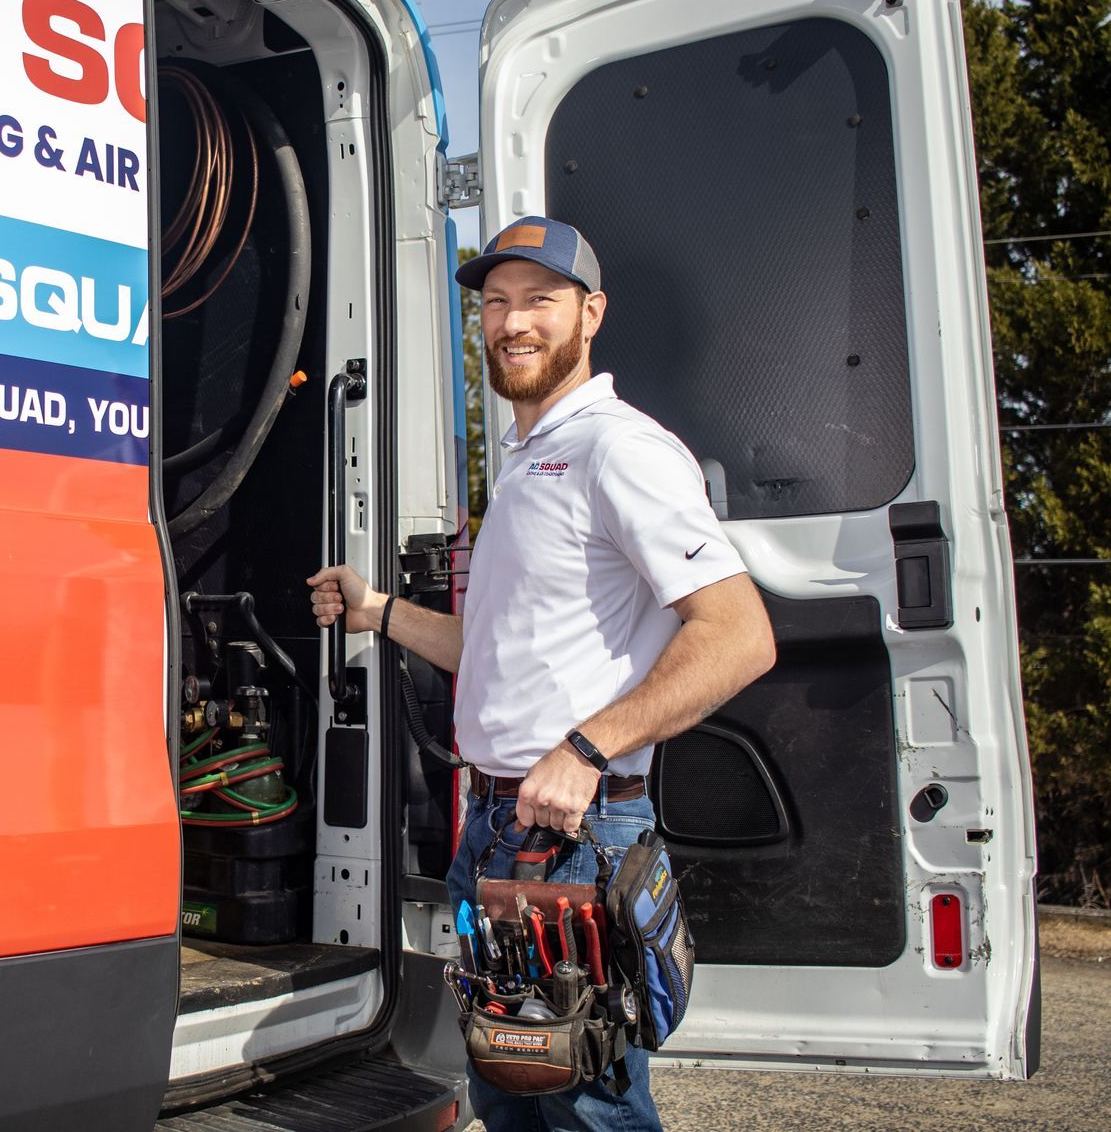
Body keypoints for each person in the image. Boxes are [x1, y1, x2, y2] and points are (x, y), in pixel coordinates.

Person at [308, 216, 776, 1132]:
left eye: (539, 301)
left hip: (575, 831)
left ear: (590, 314)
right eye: (495, 303)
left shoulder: (617, 449)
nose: (512, 322)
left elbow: (739, 636)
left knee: (591, 1106)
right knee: (511, 1096)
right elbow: (491, 652)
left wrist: (588, 747)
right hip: (495, 832)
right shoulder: (524, 460)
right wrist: (378, 613)